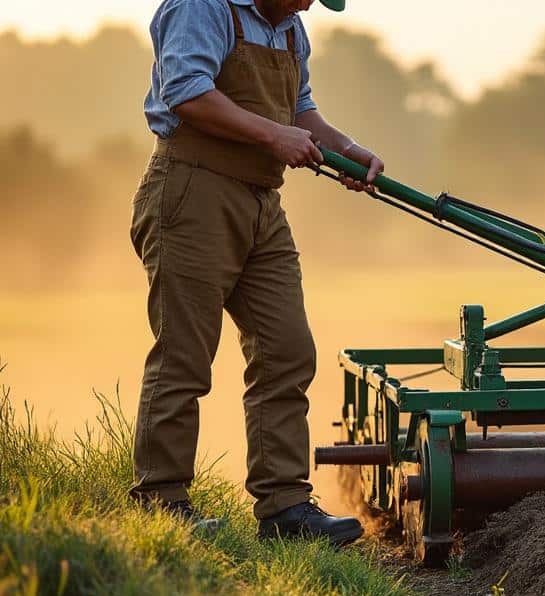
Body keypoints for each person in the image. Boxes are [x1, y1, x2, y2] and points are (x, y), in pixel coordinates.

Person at [130, 0, 376, 546]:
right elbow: (186, 91)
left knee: (287, 350)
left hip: (263, 203)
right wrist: (272, 135)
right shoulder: (204, 6)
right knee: (184, 355)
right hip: (192, 190)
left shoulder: (290, 28)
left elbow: (300, 109)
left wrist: (347, 150)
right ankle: (161, 501)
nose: (310, 4)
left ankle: (285, 508)